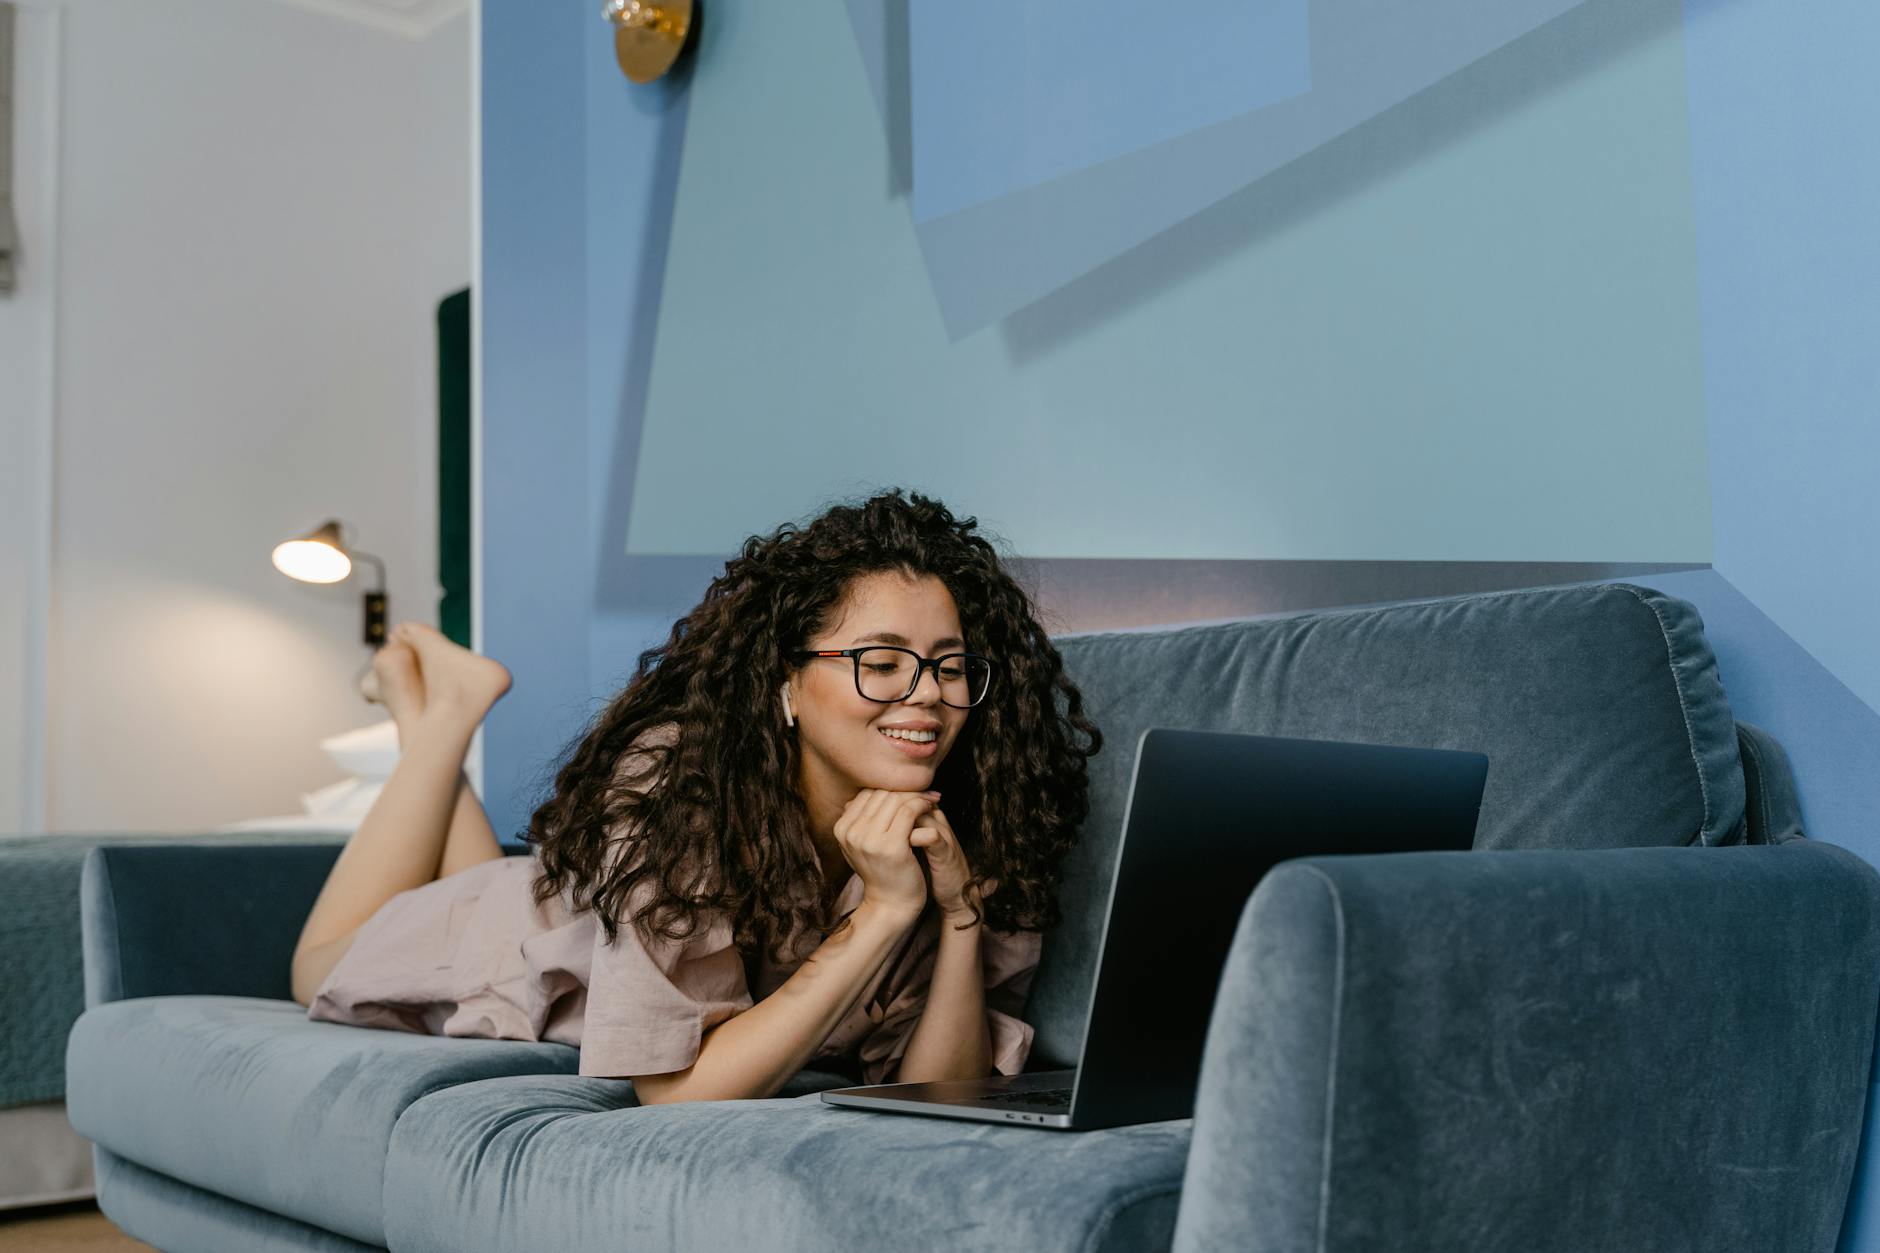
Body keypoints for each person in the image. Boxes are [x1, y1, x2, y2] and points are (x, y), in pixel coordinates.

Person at [290, 488, 1102, 1103]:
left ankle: (425, 707)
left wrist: (959, 918)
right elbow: (675, 1097)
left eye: (950, 666)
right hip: (511, 935)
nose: (926, 695)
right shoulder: (683, 781)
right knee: (314, 967)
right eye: (881, 663)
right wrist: (881, 916)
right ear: (787, 681)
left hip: (566, 919)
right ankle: (441, 715)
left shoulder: (980, 811)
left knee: (504, 891)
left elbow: (941, 1100)